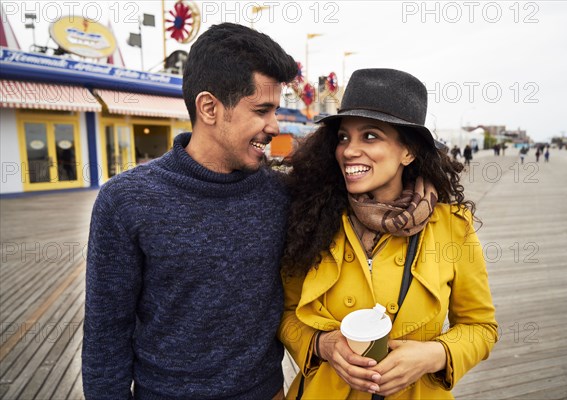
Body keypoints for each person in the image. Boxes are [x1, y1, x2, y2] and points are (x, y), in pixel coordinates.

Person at [83, 23, 297, 400]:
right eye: (262, 110)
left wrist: (421, 183)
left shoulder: (281, 194)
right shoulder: (125, 201)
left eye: (275, 110)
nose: (274, 125)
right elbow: (106, 334)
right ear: (210, 108)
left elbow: (357, 192)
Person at [278, 69, 498, 399]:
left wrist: (433, 356)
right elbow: (286, 313)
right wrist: (321, 344)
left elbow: (481, 327)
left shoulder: (453, 226)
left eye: (370, 136)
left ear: (407, 152)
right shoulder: (310, 219)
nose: (349, 150)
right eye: (343, 137)